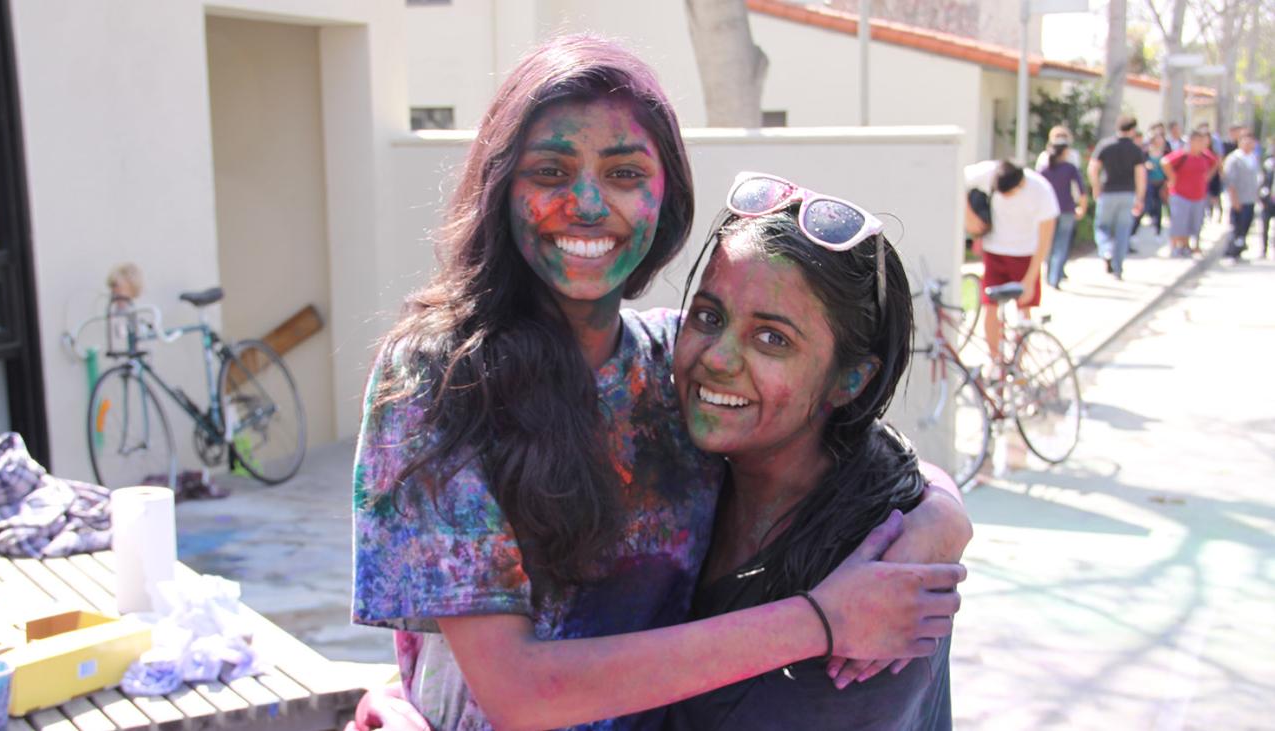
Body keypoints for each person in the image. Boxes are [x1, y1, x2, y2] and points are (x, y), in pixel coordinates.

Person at [350, 36, 968, 731]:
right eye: (550, 170)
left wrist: (941, 516)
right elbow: (519, 691)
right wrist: (822, 620)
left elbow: (845, 432)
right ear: (501, 187)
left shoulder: (674, 361)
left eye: (622, 172)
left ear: (665, 195)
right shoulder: (442, 381)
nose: (586, 203)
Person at [664, 182, 963, 730]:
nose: (719, 358)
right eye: (709, 317)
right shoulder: (691, 459)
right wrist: (946, 506)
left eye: (772, 339)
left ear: (850, 380)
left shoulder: (880, 589)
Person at [963, 160, 1058, 363]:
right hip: (994, 251)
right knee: (990, 306)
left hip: (1025, 255)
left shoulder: (1040, 190)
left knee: (1024, 311)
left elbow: (1045, 239)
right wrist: (968, 215)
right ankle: (996, 361)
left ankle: (1018, 364)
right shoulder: (990, 172)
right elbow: (956, 178)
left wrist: (1030, 279)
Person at [1087, 115, 1146, 279]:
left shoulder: (1105, 145)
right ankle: (1118, 268)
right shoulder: (1135, 149)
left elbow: (1093, 168)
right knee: (1123, 231)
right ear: (1133, 130)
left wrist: (1096, 186)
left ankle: (1106, 250)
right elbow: (1140, 176)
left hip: (1108, 192)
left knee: (1102, 227)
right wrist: (1140, 198)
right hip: (1127, 193)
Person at [1162, 129, 1221, 257]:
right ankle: (1175, 247)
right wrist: (1172, 178)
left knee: (1193, 223)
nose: (1201, 144)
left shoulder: (1205, 156)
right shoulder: (1183, 155)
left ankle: (1187, 246)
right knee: (1179, 222)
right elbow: (1165, 162)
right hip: (1180, 194)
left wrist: (1208, 176)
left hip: (1199, 195)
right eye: (1198, 141)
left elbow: (1216, 162)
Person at [1037, 139, 1087, 289]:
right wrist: (1082, 208)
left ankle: (1048, 275)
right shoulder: (1070, 168)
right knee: (1061, 244)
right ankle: (1055, 277)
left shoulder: (1045, 170)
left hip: (1048, 211)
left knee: (1048, 243)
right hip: (1066, 209)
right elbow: (1082, 190)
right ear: (1064, 152)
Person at [1222, 132, 1262, 261]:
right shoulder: (1234, 158)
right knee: (1236, 226)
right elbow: (1230, 181)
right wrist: (1234, 199)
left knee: (1246, 226)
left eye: (1251, 142)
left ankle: (1239, 251)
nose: (1249, 144)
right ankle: (1231, 252)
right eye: (1246, 141)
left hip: (1250, 198)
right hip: (1238, 199)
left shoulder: (1253, 158)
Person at [1131, 134, 1168, 239]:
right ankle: (1133, 232)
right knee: (1145, 206)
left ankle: (1158, 231)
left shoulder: (1165, 152)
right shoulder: (1145, 152)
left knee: (1158, 207)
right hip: (1148, 183)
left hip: (1160, 183)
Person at [1261, 138, 1275, 258]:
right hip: (1269, 199)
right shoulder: (1268, 164)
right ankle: (1264, 249)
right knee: (1265, 225)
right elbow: (1263, 182)